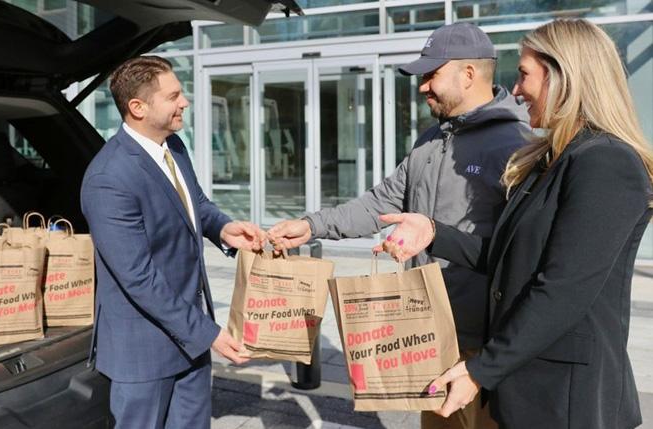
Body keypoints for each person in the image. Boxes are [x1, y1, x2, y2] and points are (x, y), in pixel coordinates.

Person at [378, 19, 653, 429]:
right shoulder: (551, 159)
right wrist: (433, 232)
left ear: (564, 76)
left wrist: (480, 370)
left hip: (567, 400)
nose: (517, 90)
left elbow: (562, 290)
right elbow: (512, 258)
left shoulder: (607, 162)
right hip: (528, 386)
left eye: (524, 74)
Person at [268, 22, 531, 429]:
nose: (422, 86)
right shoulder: (430, 140)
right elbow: (381, 203)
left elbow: (526, 252)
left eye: (431, 75)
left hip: (480, 349)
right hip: (427, 333)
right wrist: (311, 226)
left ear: (468, 74)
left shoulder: (517, 145)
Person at [81, 56, 265, 429]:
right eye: (173, 96)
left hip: (190, 338)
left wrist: (224, 229)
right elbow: (138, 277)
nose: (184, 102)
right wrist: (209, 333)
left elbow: (194, 203)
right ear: (138, 107)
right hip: (144, 352)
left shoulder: (174, 146)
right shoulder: (108, 178)